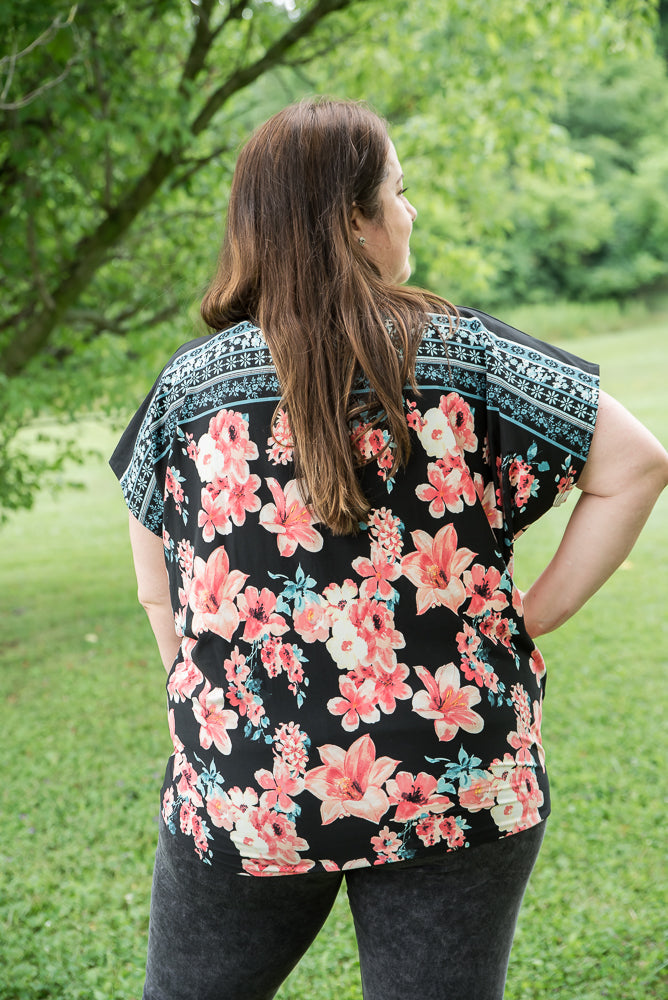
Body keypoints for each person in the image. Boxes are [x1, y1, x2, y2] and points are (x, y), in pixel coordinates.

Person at [110, 98, 668, 1000]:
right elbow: (636, 464)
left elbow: (157, 594)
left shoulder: (190, 387)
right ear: (355, 219)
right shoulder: (468, 357)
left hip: (248, 796)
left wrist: (220, 724)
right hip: (455, 781)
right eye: (399, 193)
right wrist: (527, 621)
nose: (410, 213)